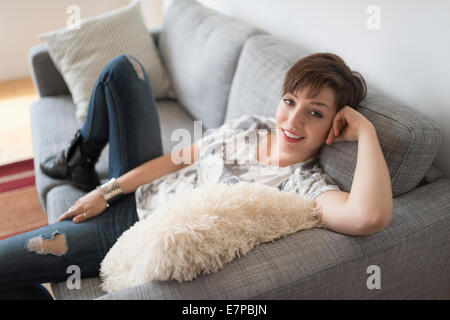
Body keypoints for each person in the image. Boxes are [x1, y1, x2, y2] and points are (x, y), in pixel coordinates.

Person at [0, 52, 392, 299]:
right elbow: (178, 158)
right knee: (124, 68)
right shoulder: (250, 126)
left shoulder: (305, 185)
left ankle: (79, 162)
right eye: (290, 101)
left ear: (334, 128)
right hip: (135, 189)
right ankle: (81, 158)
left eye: (316, 112)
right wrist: (109, 189)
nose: (293, 120)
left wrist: (367, 132)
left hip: (130, 229)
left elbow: (368, 217)